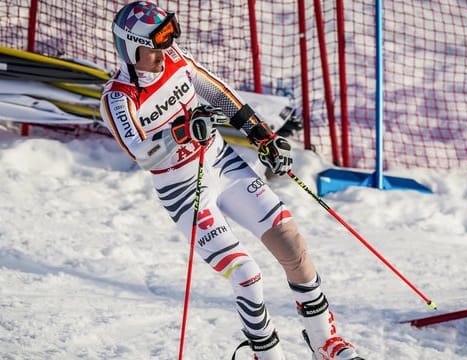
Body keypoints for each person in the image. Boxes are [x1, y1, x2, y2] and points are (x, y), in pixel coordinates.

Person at [100, 2, 363, 359]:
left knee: (293, 245)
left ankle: (325, 342)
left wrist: (261, 135)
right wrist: (180, 133)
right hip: (183, 189)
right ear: (131, 50)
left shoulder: (175, 59)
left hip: (222, 163)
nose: (162, 57)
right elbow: (141, 153)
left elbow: (217, 94)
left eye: (164, 47)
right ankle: (266, 354)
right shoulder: (118, 97)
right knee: (246, 273)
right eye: (152, 51)